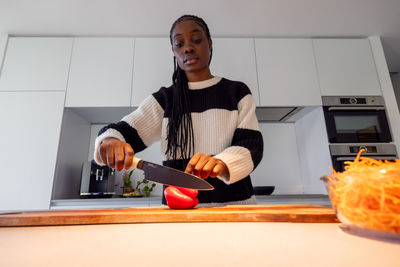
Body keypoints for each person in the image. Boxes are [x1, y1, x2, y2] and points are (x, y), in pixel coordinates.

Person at [94, 14, 264, 206]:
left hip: (236, 208)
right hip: (178, 214)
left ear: (210, 43)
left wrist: (222, 163)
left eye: (197, 40)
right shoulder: (165, 100)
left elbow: (252, 146)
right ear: (174, 52)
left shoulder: (237, 92)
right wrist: (110, 141)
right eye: (179, 44)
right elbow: (120, 131)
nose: (188, 48)